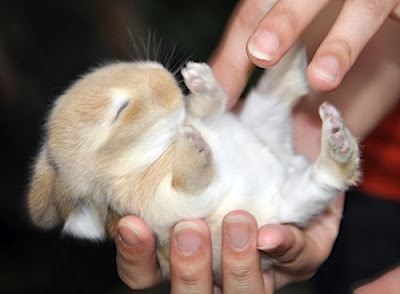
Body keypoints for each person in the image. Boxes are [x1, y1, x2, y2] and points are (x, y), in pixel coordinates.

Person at [115, 1, 400, 293]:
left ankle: (327, 165)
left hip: (345, 187)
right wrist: (310, 108)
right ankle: (328, 167)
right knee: (289, 182)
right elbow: (381, 28)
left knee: (288, 182)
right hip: (369, 187)